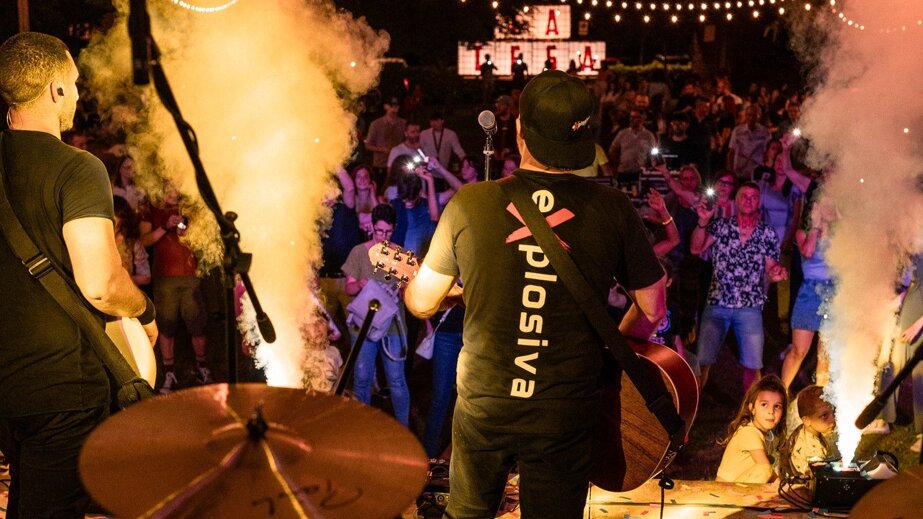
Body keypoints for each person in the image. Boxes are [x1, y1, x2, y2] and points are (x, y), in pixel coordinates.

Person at [404, 70, 667, 518]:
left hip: (486, 406)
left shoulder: (470, 203)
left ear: (520, 129)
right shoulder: (613, 210)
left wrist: (440, 287)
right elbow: (653, 306)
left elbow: (422, 302)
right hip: (562, 412)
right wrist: (611, 355)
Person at [0, 32, 158, 518]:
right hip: (63, 385)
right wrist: (144, 311)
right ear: (56, 90)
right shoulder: (77, 168)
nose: (76, 93)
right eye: (73, 83)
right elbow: (101, 285)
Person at [691, 181, 788, 391]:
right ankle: (692, 406)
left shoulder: (767, 232)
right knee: (703, 361)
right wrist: (702, 221)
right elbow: (696, 249)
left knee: (753, 366)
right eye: (744, 196)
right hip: (718, 302)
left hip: (750, 305)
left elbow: (771, 268)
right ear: (736, 200)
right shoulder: (721, 226)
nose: (748, 201)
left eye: (753, 197)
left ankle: (751, 409)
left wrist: (776, 273)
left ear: (759, 202)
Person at [342, 204, 410, 426]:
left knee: (396, 380)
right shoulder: (359, 252)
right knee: (362, 379)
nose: (383, 236)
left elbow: (408, 291)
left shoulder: (399, 254)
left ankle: (403, 431)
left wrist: (405, 288)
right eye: (379, 231)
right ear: (372, 227)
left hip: (393, 325)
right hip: (364, 324)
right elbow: (348, 288)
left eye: (388, 232)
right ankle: (363, 429)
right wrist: (360, 284)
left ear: (394, 229)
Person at [140, 184, 212, 393]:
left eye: (177, 182)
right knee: (166, 327)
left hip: (191, 277)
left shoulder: (189, 207)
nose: (174, 187)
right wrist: (165, 226)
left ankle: (203, 369)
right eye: (170, 183)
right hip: (164, 279)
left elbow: (203, 239)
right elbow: (144, 240)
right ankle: (169, 373)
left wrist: (187, 230)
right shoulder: (151, 208)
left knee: (197, 325)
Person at [716, 375, 788, 483]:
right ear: (752, 408)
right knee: (765, 470)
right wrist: (782, 487)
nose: (771, 411)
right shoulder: (749, 432)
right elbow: (765, 468)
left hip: (740, 487)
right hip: (725, 491)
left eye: (777, 406)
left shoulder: (767, 435)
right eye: (764, 404)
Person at [781, 385, 839, 478]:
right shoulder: (813, 450)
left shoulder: (805, 430)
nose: (833, 420)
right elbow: (820, 478)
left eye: (833, 412)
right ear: (806, 420)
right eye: (824, 416)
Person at [364, 97, 406, 184]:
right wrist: (382, 149)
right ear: (385, 107)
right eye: (391, 106)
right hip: (381, 164)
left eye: (396, 107)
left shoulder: (403, 124)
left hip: (398, 164)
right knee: (381, 188)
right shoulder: (376, 124)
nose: (394, 109)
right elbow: (368, 145)